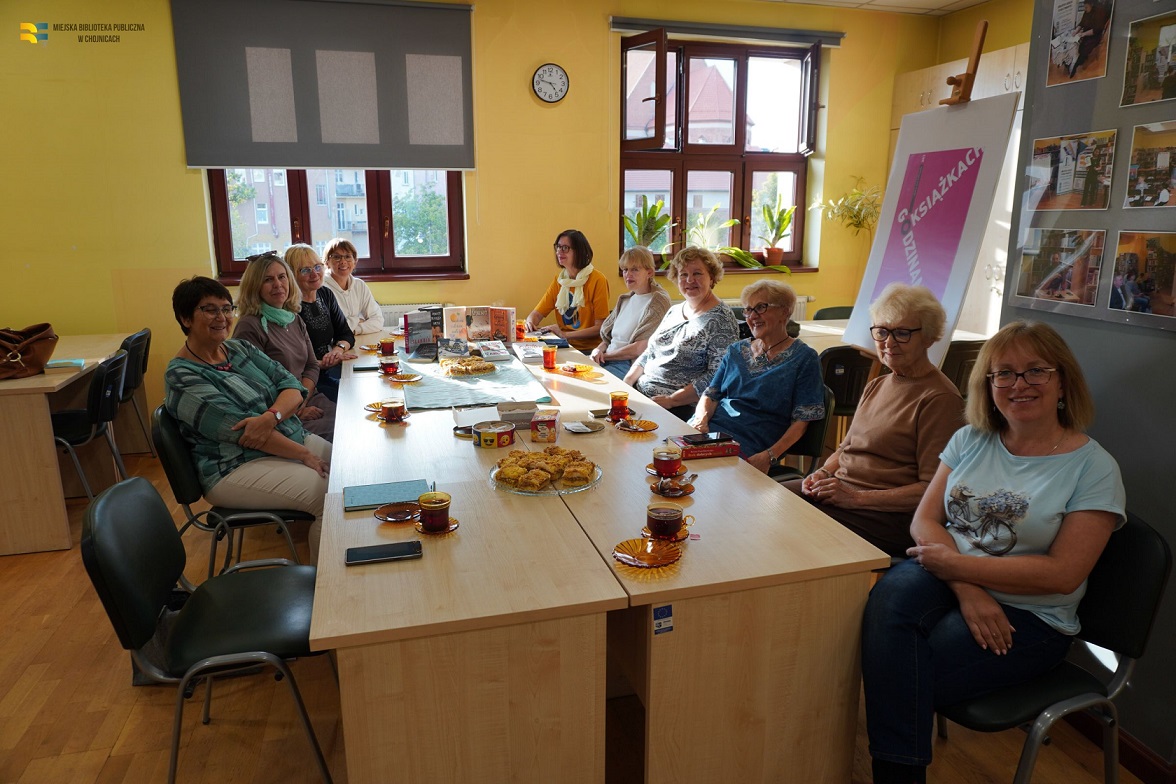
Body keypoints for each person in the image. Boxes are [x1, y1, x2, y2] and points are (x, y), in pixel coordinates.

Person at [861, 320, 1125, 784]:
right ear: (989, 385)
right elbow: (925, 521)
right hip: (950, 575)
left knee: (903, 672)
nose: (1019, 384)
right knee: (887, 603)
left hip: (1031, 615)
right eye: (1003, 373)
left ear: (1063, 381)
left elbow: (1063, 574)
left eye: (1035, 371)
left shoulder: (1094, 468)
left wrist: (957, 567)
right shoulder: (971, 439)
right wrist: (968, 586)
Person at [783, 284, 964, 556]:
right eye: (882, 331)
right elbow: (846, 448)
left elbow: (933, 490)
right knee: (767, 504)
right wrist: (821, 474)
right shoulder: (877, 385)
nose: (888, 343)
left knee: (787, 527)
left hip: (886, 516)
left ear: (928, 337)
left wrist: (855, 498)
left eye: (902, 333)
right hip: (842, 496)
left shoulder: (940, 399)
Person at [164, 277, 332, 563]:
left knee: (349, 473)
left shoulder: (240, 349)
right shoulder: (182, 376)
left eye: (226, 309)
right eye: (210, 310)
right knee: (326, 495)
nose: (222, 317)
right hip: (233, 466)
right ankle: (326, 584)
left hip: (288, 439)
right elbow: (245, 433)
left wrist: (271, 416)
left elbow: (293, 386)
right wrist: (304, 455)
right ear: (185, 318)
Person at [687, 280, 824, 474]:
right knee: (663, 459)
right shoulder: (736, 350)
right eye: (748, 310)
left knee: (699, 477)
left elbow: (802, 420)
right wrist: (700, 420)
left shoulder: (804, 358)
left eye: (761, 308)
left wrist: (769, 456)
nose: (752, 316)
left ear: (784, 311)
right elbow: (711, 394)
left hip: (749, 443)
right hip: (708, 432)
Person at [624, 246, 740, 419]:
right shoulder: (674, 311)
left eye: (697, 273)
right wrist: (626, 384)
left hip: (679, 407)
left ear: (712, 277)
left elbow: (718, 375)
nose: (689, 280)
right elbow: (650, 352)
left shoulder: (721, 320)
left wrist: (672, 400)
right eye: (683, 274)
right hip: (641, 394)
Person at [233, 251, 336, 441]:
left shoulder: (294, 318)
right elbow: (255, 387)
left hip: (308, 398)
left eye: (282, 277)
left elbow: (311, 365)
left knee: (352, 423)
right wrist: (294, 409)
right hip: (279, 413)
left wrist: (302, 400)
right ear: (254, 287)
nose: (278, 284)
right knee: (339, 441)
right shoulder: (249, 326)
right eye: (268, 280)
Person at [286, 243, 356, 403]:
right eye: (305, 270)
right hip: (305, 379)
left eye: (317, 267)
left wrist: (338, 350)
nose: (315, 274)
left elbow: (345, 333)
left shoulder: (325, 294)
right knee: (348, 399)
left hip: (329, 369)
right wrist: (322, 364)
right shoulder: (289, 306)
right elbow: (291, 361)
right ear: (291, 275)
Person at [590, 246, 671, 379]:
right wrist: (597, 350)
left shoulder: (658, 301)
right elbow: (610, 340)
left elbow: (639, 349)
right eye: (625, 270)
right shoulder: (625, 299)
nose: (628, 274)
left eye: (634, 269)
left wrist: (604, 356)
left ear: (649, 272)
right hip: (606, 358)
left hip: (629, 365)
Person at [523, 229, 610, 352]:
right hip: (563, 345)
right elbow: (537, 314)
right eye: (558, 247)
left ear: (579, 251)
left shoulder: (598, 280)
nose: (559, 251)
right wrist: (530, 323)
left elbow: (600, 327)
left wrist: (565, 334)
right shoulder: (560, 280)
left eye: (565, 248)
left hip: (589, 350)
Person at [322, 238, 385, 337]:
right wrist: (357, 320)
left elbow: (378, 321)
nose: (343, 262)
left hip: (356, 339)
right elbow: (329, 329)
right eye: (337, 257)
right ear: (327, 262)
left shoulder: (359, 285)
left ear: (355, 262)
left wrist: (356, 329)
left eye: (348, 256)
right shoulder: (321, 288)